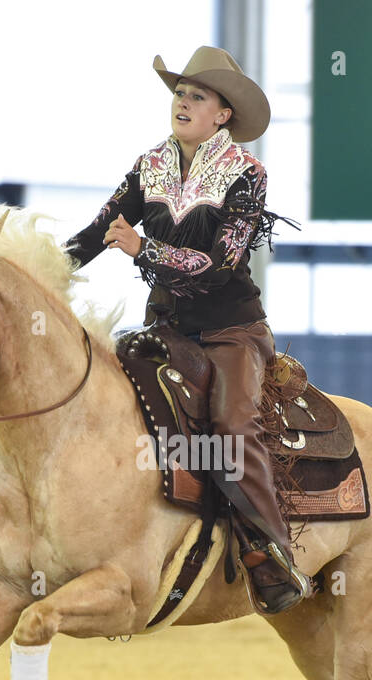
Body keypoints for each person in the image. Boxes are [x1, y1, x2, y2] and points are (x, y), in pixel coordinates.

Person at [62, 45, 309, 614]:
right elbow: (95, 234)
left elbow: (221, 265)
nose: (183, 102)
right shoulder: (149, 165)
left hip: (231, 332)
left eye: (197, 95)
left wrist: (145, 246)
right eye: (179, 92)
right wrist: (30, 271)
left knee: (230, 426)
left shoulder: (247, 174)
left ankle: (274, 558)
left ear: (223, 114)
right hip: (166, 328)